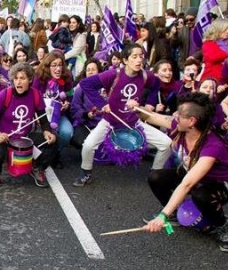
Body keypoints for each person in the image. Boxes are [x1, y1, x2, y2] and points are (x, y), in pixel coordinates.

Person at [140, 92, 228, 253]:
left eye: (179, 114)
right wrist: (131, 108)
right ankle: (174, 213)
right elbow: (152, 117)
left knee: (201, 196)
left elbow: (187, 184)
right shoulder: (183, 127)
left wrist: (162, 216)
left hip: (221, 184)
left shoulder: (212, 146)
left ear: (192, 121)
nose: (175, 116)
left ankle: (223, 227)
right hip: (193, 174)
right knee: (156, 177)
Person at [73, 43, 172, 187]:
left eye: (141, 57)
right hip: (110, 122)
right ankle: (85, 173)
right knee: (88, 145)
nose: (139, 60)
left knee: (167, 144)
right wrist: (102, 104)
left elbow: (156, 84)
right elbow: (86, 83)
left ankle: (154, 174)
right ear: (125, 60)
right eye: (134, 57)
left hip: (133, 122)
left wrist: (150, 104)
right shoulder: (113, 75)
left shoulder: (145, 75)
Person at [0, 62, 58, 188]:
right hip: (5, 137)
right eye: (16, 78)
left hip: (26, 137)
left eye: (22, 78)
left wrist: (47, 131)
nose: (18, 82)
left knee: (52, 140)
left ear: (29, 80)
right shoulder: (5, 94)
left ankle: (37, 168)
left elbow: (44, 120)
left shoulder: (35, 95)